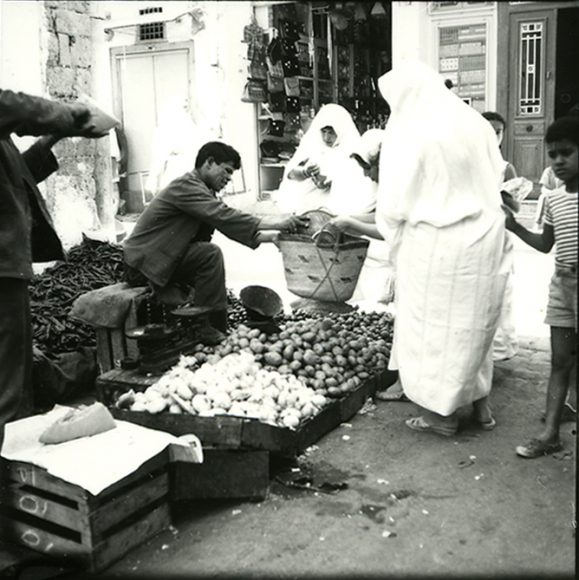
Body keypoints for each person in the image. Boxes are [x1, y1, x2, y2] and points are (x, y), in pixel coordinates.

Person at [372, 60, 509, 437]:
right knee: (473, 327)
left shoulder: (411, 128)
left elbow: (395, 202)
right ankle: (481, 406)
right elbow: (496, 172)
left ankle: (439, 416)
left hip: (436, 243)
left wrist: (391, 230)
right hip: (485, 236)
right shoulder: (475, 122)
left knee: (432, 331)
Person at [1, 88, 106, 452]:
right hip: (1, 269)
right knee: (8, 384)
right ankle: (12, 472)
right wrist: (75, 116)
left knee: (15, 370)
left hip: (9, 268)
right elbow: (12, 105)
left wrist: (54, 137)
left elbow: (19, 176)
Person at [123, 141, 308, 343]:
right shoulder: (186, 186)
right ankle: (207, 327)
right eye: (227, 171)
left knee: (207, 255)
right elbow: (224, 216)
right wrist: (276, 222)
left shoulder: (204, 192)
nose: (228, 178)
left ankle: (212, 326)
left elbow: (227, 225)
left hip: (164, 259)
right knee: (209, 255)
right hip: (143, 263)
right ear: (209, 163)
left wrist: (272, 236)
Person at [504, 115, 578, 458]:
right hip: (562, 284)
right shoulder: (555, 199)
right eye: (553, 155)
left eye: (567, 152)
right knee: (560, 360)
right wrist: (514, 227)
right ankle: (550, 433)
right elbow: (546, 243)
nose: (559, 161)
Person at [482, 111, 519, 362]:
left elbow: (515, 208)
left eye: (498, 132)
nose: (494, 136)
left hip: (499, 236)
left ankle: (498, 350)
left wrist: (505, 197)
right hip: (474, 235)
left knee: (499, 291)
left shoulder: (506, 168)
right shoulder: (469, 163)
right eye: (489, 131)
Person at [275, 103, 359, 214]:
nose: (326, 138)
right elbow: (290, 175)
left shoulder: (353, 149)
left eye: (331, 132)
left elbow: (359, 182)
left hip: (340, 204)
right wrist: (305, 172)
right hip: (309, 201)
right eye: (323, 132)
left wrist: (333, 182)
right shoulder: (313, 145)